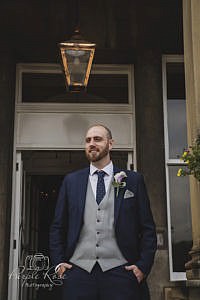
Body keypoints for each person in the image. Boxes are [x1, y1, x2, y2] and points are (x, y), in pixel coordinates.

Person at [49, 124, 157, 300]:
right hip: (78, 274)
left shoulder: (132, 180)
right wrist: (59, 263)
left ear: (111, 144)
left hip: (122, 274)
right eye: (88, 140)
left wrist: (142, 267)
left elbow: (148, 229)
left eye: (97, 139)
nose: (92, 143)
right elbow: (57, 227)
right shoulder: (71, 181)